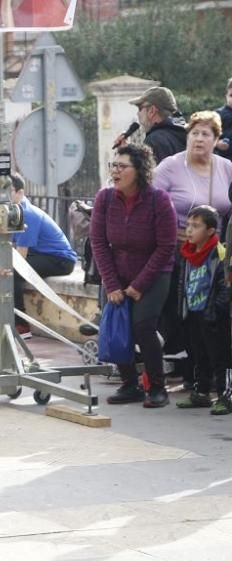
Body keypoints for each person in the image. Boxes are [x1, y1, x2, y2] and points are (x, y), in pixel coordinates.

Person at [90, 144, 177, 408]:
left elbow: (166, 247)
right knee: (117, 323)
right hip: (118, 271)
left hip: (155, 272)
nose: (115, 171)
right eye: (113, 166)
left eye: (122, 166)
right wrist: (112, 284)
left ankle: (157, 387)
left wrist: (139, 285)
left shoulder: (158, 200)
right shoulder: (104, 199)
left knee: (142, 326)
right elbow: (98, 243)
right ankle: (130, 385)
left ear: (138, 171)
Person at [153, 110, 232, 386]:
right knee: (184, 312)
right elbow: (152, 204)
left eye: (206, 134)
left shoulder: (226, 168)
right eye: (195, 133)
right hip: (178, 251)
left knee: (213, 315)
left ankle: (214, 374)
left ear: (216, 139)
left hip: (216, 254)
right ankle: (191, 372)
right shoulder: (170, 167)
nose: (199, 139)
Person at [175, 205, 230, 414]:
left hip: (213, 315)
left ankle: (226, 396)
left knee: (220, 358)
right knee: (199, 355)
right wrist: (183, 309)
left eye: (196, 226)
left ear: (210, 231)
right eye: (188, 225)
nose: (189, 230)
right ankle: (201, 392)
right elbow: (184, 283)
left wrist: (217, 310)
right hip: (194, 312)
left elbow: (226, 285)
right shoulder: (187, 254)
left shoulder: (219, 253)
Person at [10, 172, 78, 339]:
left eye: (8, 190)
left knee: (12, 273)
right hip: (41, 255)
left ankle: (21, 325)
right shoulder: (10, 212)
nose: (2, 195)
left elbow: (21, 256)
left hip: (60, 260)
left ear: (20, 193)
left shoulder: (26, 213)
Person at [124, 87, 187, 165]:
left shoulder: (154, 141)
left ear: (152, 111)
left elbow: (148, 175)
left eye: (140, 108)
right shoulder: (189, 135)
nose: (138, 114)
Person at [216, 78, 232, 161]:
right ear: (226, 96)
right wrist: (217, 143)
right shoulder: (218, 114)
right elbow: (209, 133)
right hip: (224, 158)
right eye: (231, 95)